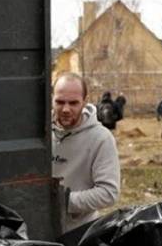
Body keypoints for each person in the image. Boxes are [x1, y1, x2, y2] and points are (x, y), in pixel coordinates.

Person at [52, 73, 121, 232]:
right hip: (37, 228)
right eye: (60, 102)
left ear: (85, 101)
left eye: (73, 103)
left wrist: (64, 202)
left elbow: (108, 193)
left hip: (78, 232)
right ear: (52, 99)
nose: (66, 109)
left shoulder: (101, 138)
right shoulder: (39, 134)